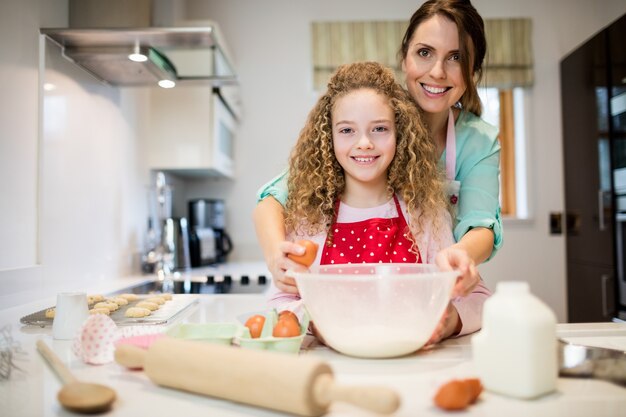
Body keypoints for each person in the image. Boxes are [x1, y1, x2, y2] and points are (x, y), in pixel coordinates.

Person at [254, 0, 500, 312]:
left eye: (456, 57)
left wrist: (459, 260)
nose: (437, 72)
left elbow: (482, 227)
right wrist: (279, 256)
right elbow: (274, 197)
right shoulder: (374, 104)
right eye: (425, 52)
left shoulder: (438, 200)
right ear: (405, 57)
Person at [266, 61, 491, 342]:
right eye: (347, 130)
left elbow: (479, 297)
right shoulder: (308, 220)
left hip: (412, 366)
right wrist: (316, 324)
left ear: (400, 133)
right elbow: (279, 302)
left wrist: (451, 322)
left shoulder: (425, 215)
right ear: (328, 137)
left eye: (380, 129)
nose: (364, 143)